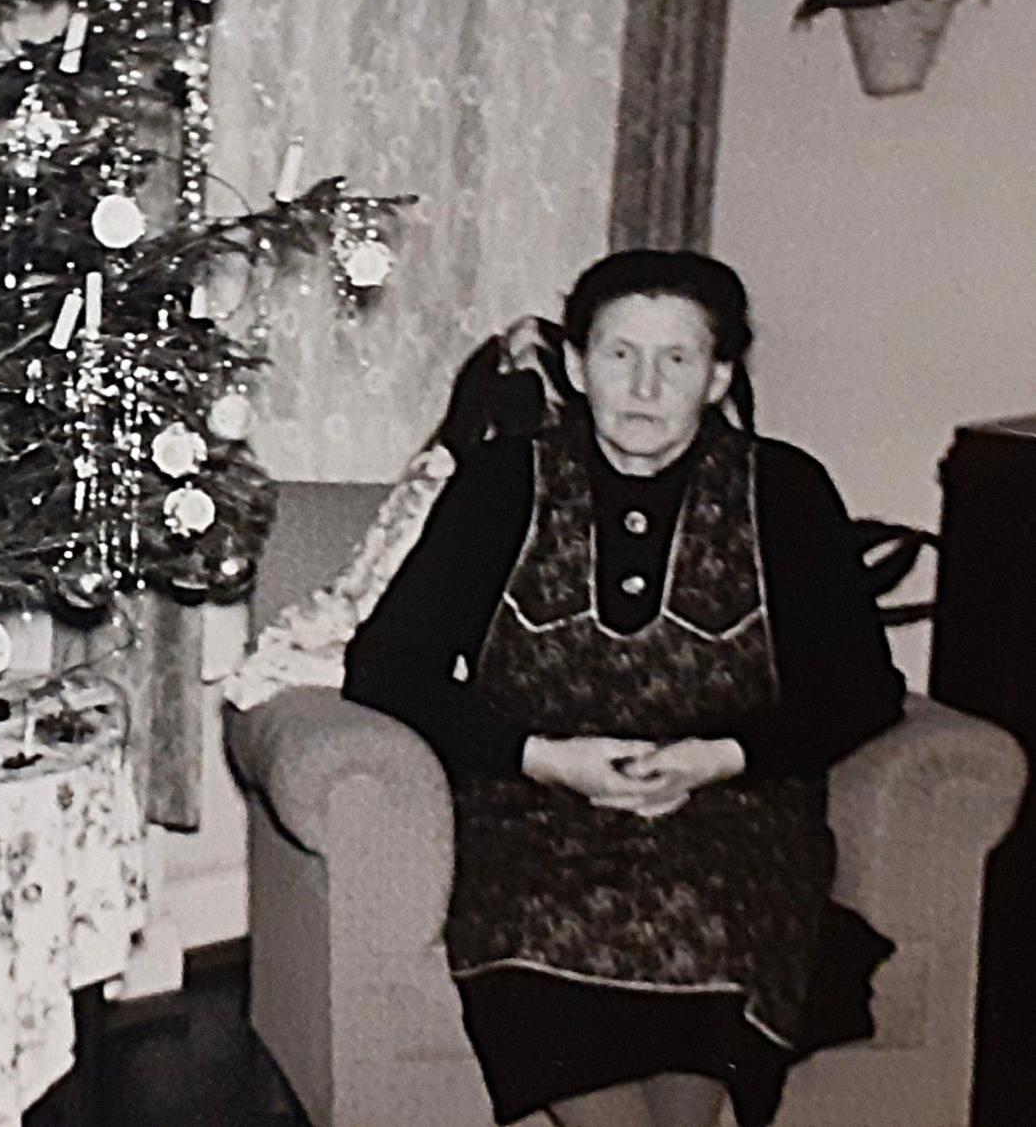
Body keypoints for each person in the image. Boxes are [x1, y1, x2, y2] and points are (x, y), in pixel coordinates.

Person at [343, 251, 905, 1127]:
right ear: (575, 364)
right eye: (618, 354)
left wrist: (719, 759)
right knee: (540, 932)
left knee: (713, 920)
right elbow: (386, 667)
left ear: (718, 375)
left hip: (732, 807)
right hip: (530, 805)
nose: (644, 384)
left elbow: (864, 686)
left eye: (676, 359)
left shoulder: (785, 489)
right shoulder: (502, 485)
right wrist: (545, 759)